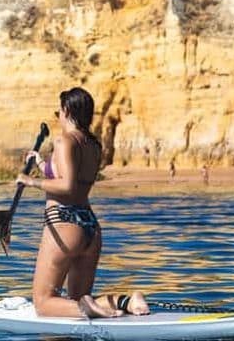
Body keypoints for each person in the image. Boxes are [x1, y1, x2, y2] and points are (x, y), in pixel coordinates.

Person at [17, 87, 149, 318]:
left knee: (43, 303)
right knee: (78, 299)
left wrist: (30, 181)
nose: (58, 116)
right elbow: (71, 176)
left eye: (58, 112)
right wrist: (40, 163)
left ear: (67, 111)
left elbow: (67, 186)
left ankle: (86, 307)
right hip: (89, 228)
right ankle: (127, 301)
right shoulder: (92, 144)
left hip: (64, 223)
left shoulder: (64, 141)